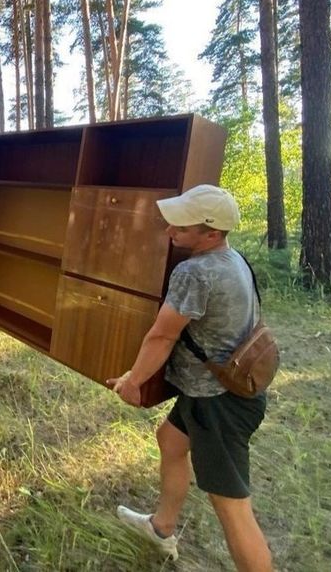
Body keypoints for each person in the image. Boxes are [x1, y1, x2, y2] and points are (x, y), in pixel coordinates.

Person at [106, 184, 273, 571]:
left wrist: (133, 382)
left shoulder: (194, 272)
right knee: (169, 439)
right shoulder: (234, 260)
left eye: (180, 227)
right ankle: (161, 529)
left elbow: (162, 335)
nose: (169, 231)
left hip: (218, 404)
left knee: (231, 507)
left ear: (211, 233)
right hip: (220, 390)